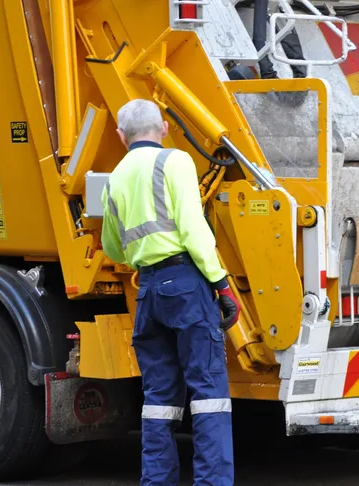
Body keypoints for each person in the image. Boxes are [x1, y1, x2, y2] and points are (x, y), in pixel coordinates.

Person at [100, 99, 239, 486]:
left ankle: (157, 481)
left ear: (120, 136)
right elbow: (195, 231)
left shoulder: (115, 177)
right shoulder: (175, 162)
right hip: (186, 284)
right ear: (163, 127)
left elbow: (112, 247)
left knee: (158, 400)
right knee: (208, 393)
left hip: (148, 291)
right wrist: (222, 285)